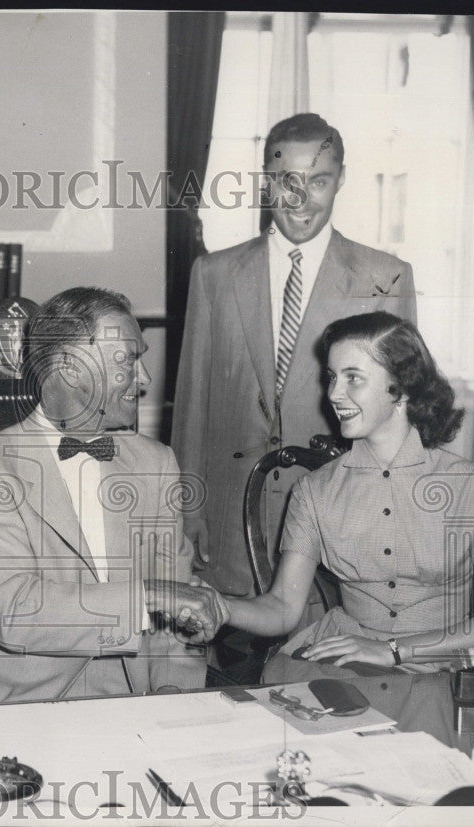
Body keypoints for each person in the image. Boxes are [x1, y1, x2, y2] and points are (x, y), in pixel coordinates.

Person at [150, 312, 474, 684]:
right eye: (331, 377)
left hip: (444, 670)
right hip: (339, 664)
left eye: (353, 379)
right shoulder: (314, 491)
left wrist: (393, 650)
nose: (333, 394)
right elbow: (282, 607)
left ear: (402, 387)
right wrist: (220, 606)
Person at [172, 113, 417, 597]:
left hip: (340, 527)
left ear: (341, 179)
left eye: (319, 181)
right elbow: (191, 403)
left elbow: (400, 415)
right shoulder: (213, 274)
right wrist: (188, 508)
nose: (302, 200)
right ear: (267, 183)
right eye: (288, 182)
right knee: (229, 665)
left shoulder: (384, 277)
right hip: (225, 526)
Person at [0, 288, 206, 705]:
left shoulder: (156, 464)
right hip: (16, 706)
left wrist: (173, 696)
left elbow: (175, 624)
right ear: (69, 367)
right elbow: (13, 610)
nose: (145, 380)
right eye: (127, 360)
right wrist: (149, 596)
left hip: (130, 700)